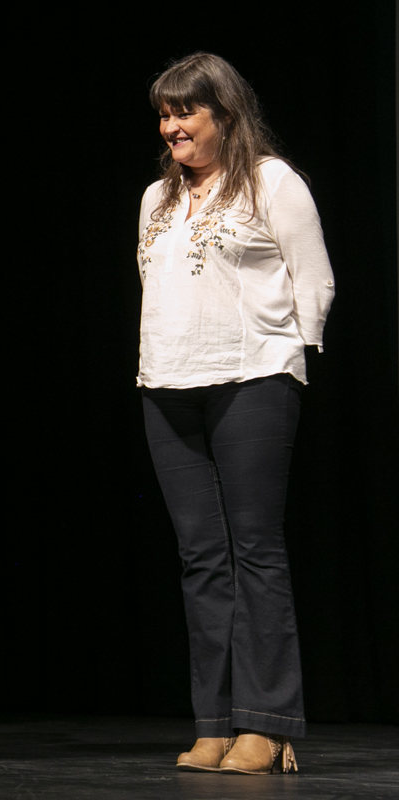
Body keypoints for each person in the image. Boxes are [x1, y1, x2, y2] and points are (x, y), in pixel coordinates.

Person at [136, 53, 334, 775]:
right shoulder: (156, 199)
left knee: (254, 548)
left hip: (253, 378)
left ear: (225, 114)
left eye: (186, 111)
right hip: (167, 384)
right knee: (200, 558)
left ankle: (266, 724)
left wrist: (287, 357)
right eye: (164, 114)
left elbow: (315, 279)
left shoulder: (270, 182)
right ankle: (214, 724)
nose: (172, 126)